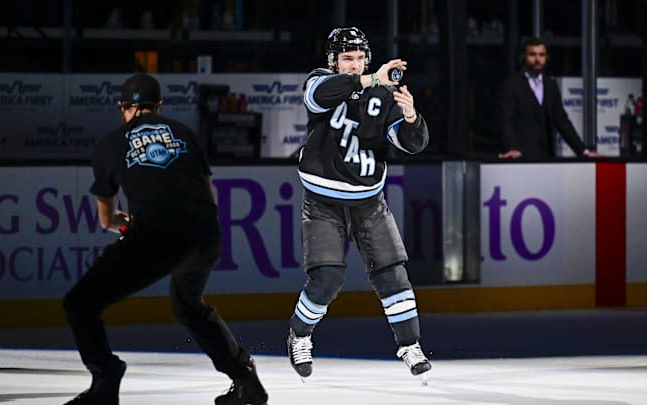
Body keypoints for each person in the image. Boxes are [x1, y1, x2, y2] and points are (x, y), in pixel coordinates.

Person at [62, 73, 268, 405]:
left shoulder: (111, 143)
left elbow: (107, 220)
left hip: (158, 235)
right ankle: (245, 379)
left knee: (80, 303)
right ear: (158, 107)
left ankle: (105, 376)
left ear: (122, 108)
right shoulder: (185, 134)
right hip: (206, 233)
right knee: (189, 306)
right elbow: (209, 198)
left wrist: (131, 227)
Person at [286, 26, 432, 383]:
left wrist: (412, 118)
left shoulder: (381, 92)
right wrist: (368, 79)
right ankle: (299, 335)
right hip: (323, 200)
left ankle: (409, 344)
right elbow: (319, 97)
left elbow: (411, 143)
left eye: (359, 59)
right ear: (334, 62)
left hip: (369, 200)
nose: (354, 66)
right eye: (346, 59)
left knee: (392, 273)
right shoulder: (321, 81)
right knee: (327, 279)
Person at [496, 36, 602, 159]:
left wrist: (583, 151)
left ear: (546, 58)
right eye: (532, 54)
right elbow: (506, 121)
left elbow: (562, 121)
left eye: (541, 55)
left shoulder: (551, 85)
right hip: (520, 158)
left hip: (548, 158)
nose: (537, 59)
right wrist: (511, 148)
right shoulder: (511, 85)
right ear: (523, 57)